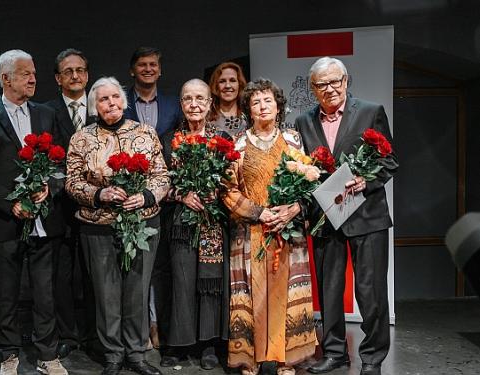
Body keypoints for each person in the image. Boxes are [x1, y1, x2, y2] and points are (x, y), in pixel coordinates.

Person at [0, 49, 68, 375]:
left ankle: (47, 354)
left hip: (44, 221)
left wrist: (48, 187)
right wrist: (10, 202)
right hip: (5, 221)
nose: (33, 78)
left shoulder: (46, 114)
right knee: (6, 295)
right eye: (25, 73)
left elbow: (59, 165)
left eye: (34, 72)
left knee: (45, 294)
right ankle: (8, 353)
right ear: (5, 78)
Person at [295, 57, 398, 375]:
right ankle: (335, 352)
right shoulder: (303, 122)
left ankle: (372, 357)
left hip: (367, 216)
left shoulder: (370, 111)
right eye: (322, 84)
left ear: (346, 81)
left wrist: (368, 180)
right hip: (327, 217)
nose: (330, 89)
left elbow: (390, 160)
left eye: (335, 81)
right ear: (313, 89)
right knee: (329, 290)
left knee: (370, 291)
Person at [65, 76, 169, 375]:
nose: (110, 103)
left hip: (142, 223)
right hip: (97, 226)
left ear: (123, 101)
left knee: (137, 290)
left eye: (114, 97)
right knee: (106, 293)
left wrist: (145, 196)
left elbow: (162, 176)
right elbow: (72, 182)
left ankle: (136, 353)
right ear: (94, 106)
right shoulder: (81, 138)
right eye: (102, 99)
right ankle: (112, 353)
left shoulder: (146, 133)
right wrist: (100, 193)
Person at [222, 78, 317, 375]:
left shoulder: (292, 140)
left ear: (278, 107)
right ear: (249, 109)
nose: (263, 107)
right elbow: (227, 190)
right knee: (252, 293)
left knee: (286, 293)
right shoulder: (237, 143)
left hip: (287, 232)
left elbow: (308, 184)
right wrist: (259, 213)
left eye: (268, 101)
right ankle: (250, 358)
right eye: (256, 102)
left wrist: (291, 211)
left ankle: (284, 359)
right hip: (249, 232)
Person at [158, 79, 230, 370]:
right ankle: (178, 343)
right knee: (181, 281)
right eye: (188, 99)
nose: (194, 105)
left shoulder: (222, 138)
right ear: (181, 104)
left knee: (209, 282)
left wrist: (219, 189)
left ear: (210, 103)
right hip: (181, 221)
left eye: (200, 98)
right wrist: (181, 194)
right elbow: (161, 183)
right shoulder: (169, 140)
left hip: (213, 221)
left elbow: (234, 180)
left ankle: (209, 344)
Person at [124, 46, 183, 350]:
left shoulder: (174, 106)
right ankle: (140, 329)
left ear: (159, 70)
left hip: (166, 198)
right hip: (129, 198)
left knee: (160, 267)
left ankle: (158, 325)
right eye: (142, 65)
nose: (148, 69)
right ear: (133, 70)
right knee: (135, 268)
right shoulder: (121, 103)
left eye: (153, 65)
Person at [44, 48, 97, 359]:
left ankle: (94, 333)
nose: (75, 75)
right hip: (60, 210)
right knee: (61, 277)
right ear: (58, 78)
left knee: (94, 275)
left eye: (80, 70)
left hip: (97, 209)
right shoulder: (47, 112)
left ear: (87, 75)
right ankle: (68, 334)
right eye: (68, 71)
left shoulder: (103, 105)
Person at [208, 62, 248, 140]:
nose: (227, 86)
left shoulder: (250, 115)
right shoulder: (206, 117)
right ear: (215, 86)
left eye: (232, 80)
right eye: (222, 81)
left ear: (239, 84)